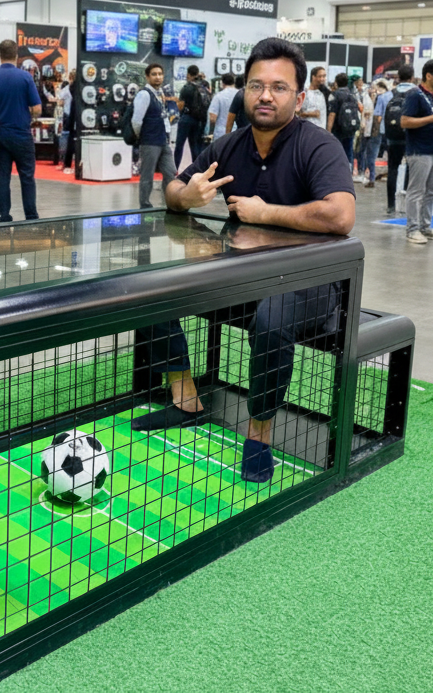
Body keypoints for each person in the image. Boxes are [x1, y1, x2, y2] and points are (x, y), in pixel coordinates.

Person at [134, 37, 355, 484]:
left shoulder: (318, 146)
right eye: (256, 86)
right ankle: (186, 399)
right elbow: (172, 189)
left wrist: (265, 212)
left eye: (278, 87)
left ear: (298, 95)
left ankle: (259, 433)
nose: (266, 96)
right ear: (244, 92)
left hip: (310, 283)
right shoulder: (230, 144)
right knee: (149, 283)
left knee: (271, 318)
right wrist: (185, 195)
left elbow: (341, 215)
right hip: (239, 278)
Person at [0, 39, 41, 222]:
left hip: (1, 134)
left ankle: (4, 216)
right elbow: (37, 108)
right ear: (16, 55)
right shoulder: (26, 78)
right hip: (22, 134)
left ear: (0, 55)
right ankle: (31, 216)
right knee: (27, 177)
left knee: (3, 177)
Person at [132, 63, 175, 208]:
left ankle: (170, 201)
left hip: (163, 140)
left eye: (160, 74)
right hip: (149, 141)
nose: (158, 77)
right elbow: (136, 120)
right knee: (147, 175)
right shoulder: (144, 94)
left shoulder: (160, 93)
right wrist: (141, 136)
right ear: (147, 76)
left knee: (170, 172)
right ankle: (144, 204)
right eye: (154, 74)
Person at [399, 58, 433, 244]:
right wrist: (429, 119)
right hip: (419, 151)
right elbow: (405, 121)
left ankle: (425, 226)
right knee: (416, 191)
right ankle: (412, 229)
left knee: (430, 192)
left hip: (431, 149)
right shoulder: (415, 95)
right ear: (428, 75)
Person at [377, 65, 413, 216]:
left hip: (392, 138)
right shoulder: (417, 94)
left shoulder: (387, 95)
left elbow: (379, 118)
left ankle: (391, 205)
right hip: (412, 137)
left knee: (393, 169)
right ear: (412, 77)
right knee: (411, 170)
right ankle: (406, 202)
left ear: (398, 77)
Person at [174, 65, 206, 169]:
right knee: (194, 146)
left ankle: (175, 169)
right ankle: (197, 170)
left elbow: (180, 106)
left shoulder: (186, 88)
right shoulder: (203, 86)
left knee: (179, 145)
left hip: (186, 119)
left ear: (188, 74)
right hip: (198, 120)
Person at [326, 72, 361, 165]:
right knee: (349, 151)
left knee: (336, 152)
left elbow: (332, 114)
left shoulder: (335, 95)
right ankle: (349, 174)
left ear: (336, 83)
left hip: (338, 128)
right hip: (350, 127)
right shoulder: (352, 95)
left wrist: (328, 130)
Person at [357, 81, 379, 188]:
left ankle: (371, 177)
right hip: (367, 129)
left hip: (374, 131)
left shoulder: (377, 99)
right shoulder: (366, 98)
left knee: (370, 155)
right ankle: (365, 174)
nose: (373, 91)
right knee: (362, 152)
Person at [298, 65, 328, 130]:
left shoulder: (324, 93)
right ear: (313, 77)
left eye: (324, 76)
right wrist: (311, 114)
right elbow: (297, 111)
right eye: (320, 76)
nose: (322, 79)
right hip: (306, 130)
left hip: (321, 131)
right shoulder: (305, 93)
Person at [207, 72, 235, 140]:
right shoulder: (241, 95)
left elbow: (212, 118)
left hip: (221, 133)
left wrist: (210, 132)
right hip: (238, 132)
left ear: (222, 83)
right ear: (234, 82)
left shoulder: (218, 96)